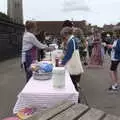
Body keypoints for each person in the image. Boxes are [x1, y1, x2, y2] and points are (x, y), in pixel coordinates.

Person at [60, 27, 83, 92]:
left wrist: (62, 63)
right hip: (73, 63)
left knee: (72, 82)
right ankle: (76, 97)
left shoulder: (71, 41)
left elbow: (69, 54)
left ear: (66, 34)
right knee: (73, 82)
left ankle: (76, 99)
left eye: (64, 36)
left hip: (73, 64)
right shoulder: (73, 40)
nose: (64, 37)